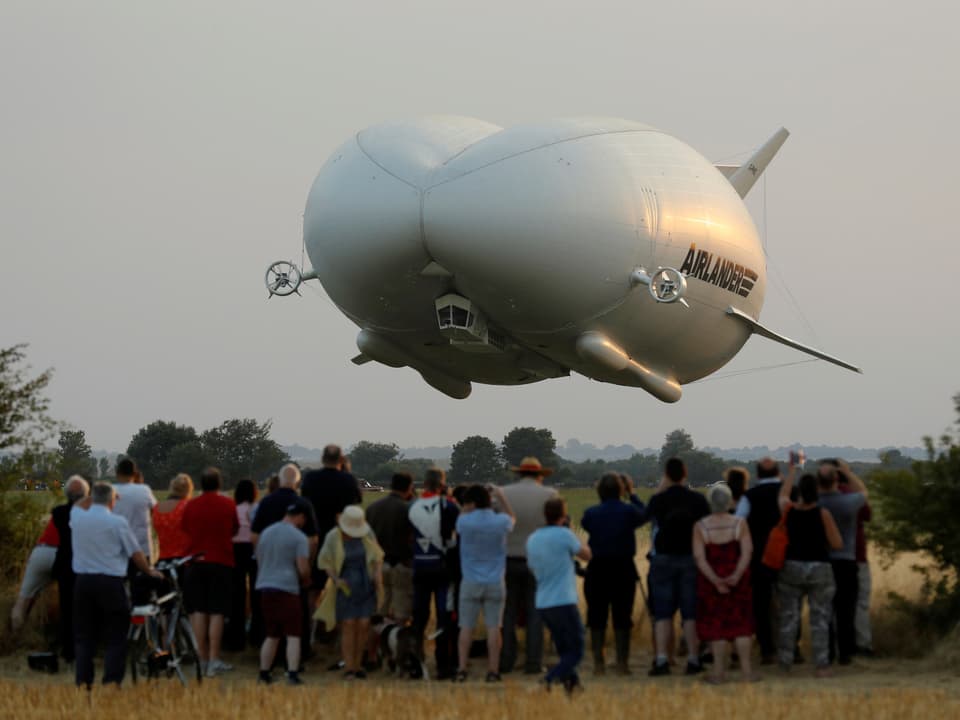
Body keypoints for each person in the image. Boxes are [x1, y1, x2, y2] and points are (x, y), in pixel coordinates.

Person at [70, 482, 163, 688]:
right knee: (116, 634)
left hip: (83, 582)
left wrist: (94, 494)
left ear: (92, 498)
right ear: (113, 500)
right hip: (110, 583)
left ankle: (83, 682)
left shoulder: (77, 517)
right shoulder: (118, 522)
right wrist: (149, 571)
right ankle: (111, 681)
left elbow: (78, 504)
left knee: (84, 636)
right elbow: (135, 553)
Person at [645, 457, 710, 676]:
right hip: (690, 557)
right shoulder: (698, 500)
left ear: (666, 475)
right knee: (690, 613)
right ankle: (693, 659)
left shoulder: (659, 500)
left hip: (662, 558)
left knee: (663, 613)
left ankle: (662, 659)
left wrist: (661, 487)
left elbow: (648, 515)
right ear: (685, 474)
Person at [776, 471, 843, 676]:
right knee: (820, 618)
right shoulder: (823, 514)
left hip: (791, 567)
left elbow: (782, 496)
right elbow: (837, 543)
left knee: (788, 617)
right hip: (819, 568)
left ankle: (785, 663)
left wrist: (791, 471)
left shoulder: (789, 511)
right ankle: (821, 664)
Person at [580, 471, 644, 675]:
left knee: (596, 617)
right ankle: (622, 663)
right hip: (623, 569)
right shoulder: (629, 512)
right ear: (620, 490)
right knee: (622, 616)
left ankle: (599, 664)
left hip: (597, 569)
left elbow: (585, 525)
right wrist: (631, 494)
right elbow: (645, 513)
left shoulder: (591, 513)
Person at [250, 464, 319, 653]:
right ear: (297, 482)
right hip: (295, 569)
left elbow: (254, 537)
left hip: (268, 568)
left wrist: (262, 561)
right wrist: (306, 565)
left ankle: (268, 651)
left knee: (269, 617)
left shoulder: (266, 502)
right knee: (296, 616)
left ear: (280, 481)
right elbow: (312, 540)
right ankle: (298, 653)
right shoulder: (303, 504)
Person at [499, 456, 558, 675]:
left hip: (509, 559)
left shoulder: (505, 494)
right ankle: (533, 661)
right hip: (537, 561)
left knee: (508, 613)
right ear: (540, 475)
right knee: (535, 613)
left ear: (519, 474)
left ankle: (506, 659)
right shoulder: (550, 495)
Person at [526, 498, 592, 694]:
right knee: (577, 649)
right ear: (563, 516)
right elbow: (586, 555)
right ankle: (547, 681)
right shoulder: (564, 535)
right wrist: (574, 535)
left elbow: (532, 566)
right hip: (563, 599)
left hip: (543, 602)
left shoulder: (533, 538)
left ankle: (573, 686)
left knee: (564, 649)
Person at [693, 483, 756, 683]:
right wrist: (736, 576)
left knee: (716, 626)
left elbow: (699, 557)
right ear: (729, 501)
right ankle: (747, 672)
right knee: (741, 625)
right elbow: (747, 552)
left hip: (711, 582)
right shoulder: (739, 524)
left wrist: (715, 580)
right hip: (737, 581)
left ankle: (718, 673)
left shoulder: (701, 526)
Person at [454, 484, 515, 682]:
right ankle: (493, 670)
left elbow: (460, 520)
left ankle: (462, 668)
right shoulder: (500, 521)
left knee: (466, 627)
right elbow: (512, 519)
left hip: (470, 580)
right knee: (493, 628)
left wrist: (466, 506)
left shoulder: (465, 522)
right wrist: (502, 496)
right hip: (495, 580)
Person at [181, 467, 239, 677]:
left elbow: (185, 527)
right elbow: (235, 528)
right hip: (221, 562)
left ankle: (201, 657)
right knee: (217, 612)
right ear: (219, 484)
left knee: (198, 611)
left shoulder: (191, 505)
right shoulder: (228, 504)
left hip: (195, 562)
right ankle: (214, 658)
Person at [316, 505, 384, 679]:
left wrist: (378, 583)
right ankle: (349, 667)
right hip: (345, 586)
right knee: (348, 625)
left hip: (365, 585)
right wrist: (336, 580)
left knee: (363, 625)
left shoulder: (368, 535)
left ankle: (358, 664)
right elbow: (326, 561)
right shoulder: (333, 536)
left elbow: (376, 559)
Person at [408, 467, 459, 679]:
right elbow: (456, 537)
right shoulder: (448, 505)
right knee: (444, 618)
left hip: (419, 567)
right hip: (443, 569)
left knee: (418, 619)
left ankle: (415, 665)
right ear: (442, 484)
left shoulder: (412, 506)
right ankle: (444, 666)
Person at [735, 457, 786, 663]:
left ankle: (767, 650)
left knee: (761, 605)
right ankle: (792, 648)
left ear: (757, 475)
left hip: (759, 557)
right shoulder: (789, 491)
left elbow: (738, 523)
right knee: (788, 603)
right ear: (777, 472)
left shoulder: (750, 496)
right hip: (786, 554)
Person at [817, 459, 868, 665]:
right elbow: (864, 493)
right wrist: (848, 473)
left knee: (824, 609)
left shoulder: (816, 504)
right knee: (846, 609)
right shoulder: (848, 502)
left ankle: (826, 652)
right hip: (846, 560)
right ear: (837, 479)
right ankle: (846, 653)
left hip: (823, 561)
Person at [255, 504, 311, 685]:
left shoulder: (266, 533)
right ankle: (292, 673)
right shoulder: (299, 537)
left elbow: (260, 559)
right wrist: (306, 579)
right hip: (287, 589)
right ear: (300, 517)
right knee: (293, 634)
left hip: (266, 587)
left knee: (272, 634)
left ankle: (264, 673)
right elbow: (302, 568)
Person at [365, 472, 415, 623]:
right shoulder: (407, 509)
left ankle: (374, 644)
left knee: (380, 611)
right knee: (401, 611)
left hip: (378, 566)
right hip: (400, 565)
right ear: (409, 488)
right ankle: (396, 641)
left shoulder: (372, 508)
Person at [51, 475, 90, 663]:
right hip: (84, 566)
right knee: (86, 611)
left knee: (66, 610)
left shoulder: (58, 512)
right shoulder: (88, 514)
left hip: (65, 566)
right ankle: (85, 649)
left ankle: (68, 651)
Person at [225, 479, 259, 652]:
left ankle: (235, 637)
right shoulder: (256, 509)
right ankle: (256, 634)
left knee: (237, 593)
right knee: (255, 591)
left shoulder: (233, 508)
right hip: (253, 549)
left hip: (236, 548)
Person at [11, 515, 59, 632]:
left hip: (41, 551)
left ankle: (14, 639)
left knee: (23, 601)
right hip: (65, 555)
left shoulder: (60, 512)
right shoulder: (89, 512)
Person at [112, 458, 158, 566]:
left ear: (117, 473)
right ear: (135, 474)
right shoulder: (144, 490)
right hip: (142, 548)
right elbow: (155, 511)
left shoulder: (110, 491)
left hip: (117, 549)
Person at [152, 473, 193, 561]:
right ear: (188, 489)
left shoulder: (157, 508)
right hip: (184, 560)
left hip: (163, 560)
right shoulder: (188, 506)